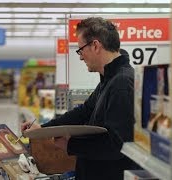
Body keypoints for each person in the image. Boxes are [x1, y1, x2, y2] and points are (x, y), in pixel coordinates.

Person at [21, 17, 139, 180]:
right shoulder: (109, 79)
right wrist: (43, 129)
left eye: (80, 50)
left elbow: (117, 145)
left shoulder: (122, 84)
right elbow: (83, 111)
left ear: (95, 46)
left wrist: (71, 145)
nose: (81, 57)